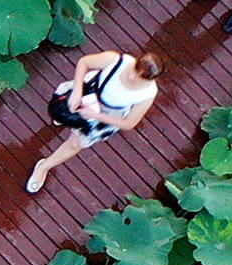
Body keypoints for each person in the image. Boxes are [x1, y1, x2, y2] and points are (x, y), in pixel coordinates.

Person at [24, 51, 162, 194]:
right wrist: (77, 90)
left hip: (105, 114)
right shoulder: (117, 60)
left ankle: (43, 167)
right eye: (134, 71)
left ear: (150, 80)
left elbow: (129, 123)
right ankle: (66, 118)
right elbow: (84, 62)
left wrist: (95, 115)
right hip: (89, 92)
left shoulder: (147, 94)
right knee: (61, 110)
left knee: (76, 143)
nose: (133, 77)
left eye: (140, 79)